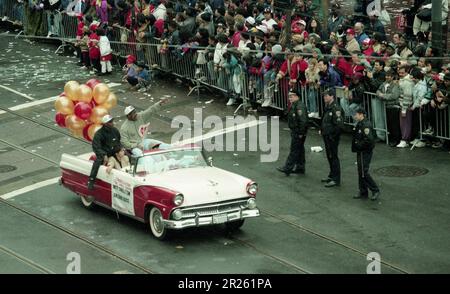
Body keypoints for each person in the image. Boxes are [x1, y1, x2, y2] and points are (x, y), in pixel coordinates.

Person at [277, 89, 308, 176]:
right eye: (289, 96)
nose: (289, 98)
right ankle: (300, 168)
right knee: (300, 150)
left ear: (297, 96)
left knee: (294, 150)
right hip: (296, 131)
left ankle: (287, 168)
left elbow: (303, 121)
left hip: (298, 132)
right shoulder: (294, 105)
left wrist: (301, 133)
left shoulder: (299, 106)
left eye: (291, 96)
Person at [352, 108, 380, 201]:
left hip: (365, 151)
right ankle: (363, 191)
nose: (355, 116)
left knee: (364, 172)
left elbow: (369, 140)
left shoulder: (365, 125)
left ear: (361, 114)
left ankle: (375, 189)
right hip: (361, 151)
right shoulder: (360, 124)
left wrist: (359, 145)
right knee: (361, 171)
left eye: (356, 114)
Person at [88, 115, 121, 190]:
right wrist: (104, 154)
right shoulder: (98, 134)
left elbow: (118, 142)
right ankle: (91, 180)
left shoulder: (115, 130)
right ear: (105, 124)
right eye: (110, 122)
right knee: (98, 161)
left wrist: (120, 150)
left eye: (112, 121)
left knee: (127, 156)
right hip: (104, 154)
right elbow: (96, 147)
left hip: (113, 152)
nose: (112, 123)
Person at [321, 88, 344, 188]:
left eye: (326, 95)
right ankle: (332, 175)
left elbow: (339, 125)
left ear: (332, 96)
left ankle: (336, 179)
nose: (324, 97)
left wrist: (333, 136)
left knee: (334, 157)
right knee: (329, 156)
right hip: (327, 135)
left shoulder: (335, 108)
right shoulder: (328, 106)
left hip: (332, 137)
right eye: (324, 95)